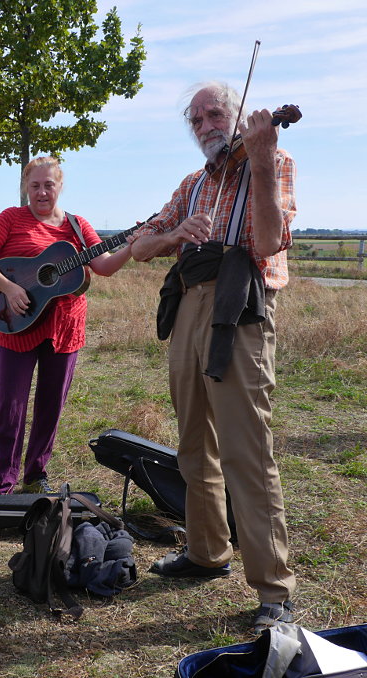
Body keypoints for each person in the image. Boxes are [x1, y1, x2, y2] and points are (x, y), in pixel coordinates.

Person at [127, 81, 297, 633]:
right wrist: (177, 231)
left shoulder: (271, 160)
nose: (205, 125)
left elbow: (270, 241)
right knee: (193, 441)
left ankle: (274, 588)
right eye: (195, 119)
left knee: (247, 447)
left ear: (240, 116)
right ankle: (206, 552)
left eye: (215, 113)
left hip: (242, 306)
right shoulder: (193, 183)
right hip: (190, 309)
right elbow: (139, 246)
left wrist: (264, 157)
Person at [0, 156, 132, 495]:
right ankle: (3, 483)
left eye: (48, 185)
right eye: (35, 185)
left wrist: (132, 246)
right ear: (26, 186)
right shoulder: (12, 218)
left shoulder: (77, 225)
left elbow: (104, 265)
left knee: (50, 405)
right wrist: (9, 288)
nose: (42, 193)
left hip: (64, 327)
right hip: (18, 324)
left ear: (60, 186)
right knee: (11, 407)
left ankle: (35, 475)